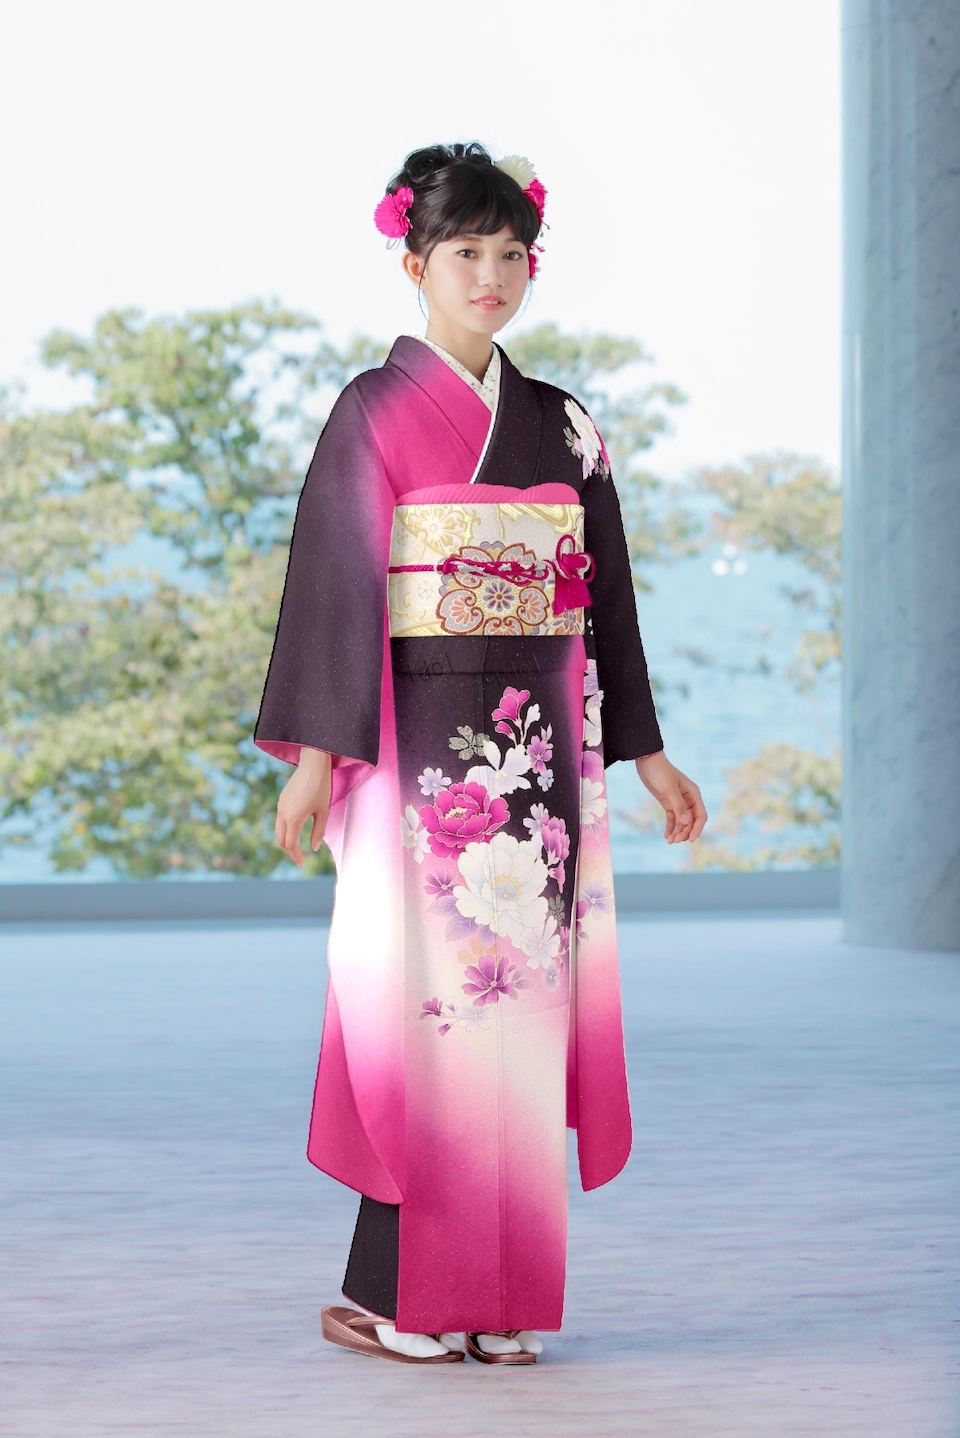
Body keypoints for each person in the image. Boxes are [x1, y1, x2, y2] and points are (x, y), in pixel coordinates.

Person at [255, 142, 706, 1366]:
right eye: (466, 252)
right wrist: (315, 754)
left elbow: (607, 595)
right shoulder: (374, 409)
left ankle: (503, 1301)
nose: (492, 275)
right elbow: (338, 587)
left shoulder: (562, 423)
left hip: (536, 757)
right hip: (418, 753)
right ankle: (408, 1295)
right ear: (415, 263)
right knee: (431, 1017)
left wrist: (648, 752)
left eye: (513, 253)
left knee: (519, 1018)